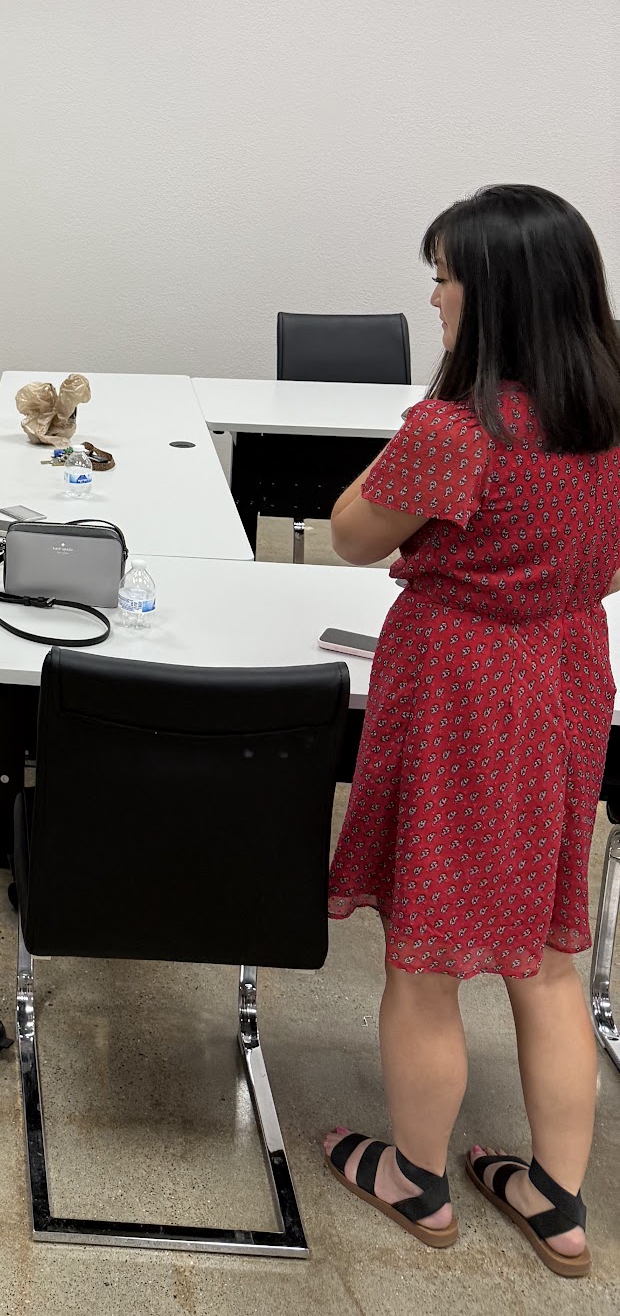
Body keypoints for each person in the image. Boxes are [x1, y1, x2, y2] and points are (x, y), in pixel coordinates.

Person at [322, 184, 620, 1278]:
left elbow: (352, 533)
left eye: (444, 278)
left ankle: (415, 1175)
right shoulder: (611, 414)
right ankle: (557, 1202)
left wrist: (416, 432)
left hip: (462, 687)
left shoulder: (457, 431)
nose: (435, 298)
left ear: (495, 295)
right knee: (548, 953)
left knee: (428, 953)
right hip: (569, 671)